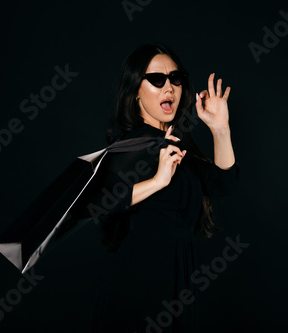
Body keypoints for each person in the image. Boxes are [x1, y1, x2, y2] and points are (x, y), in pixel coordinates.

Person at [90, 43, 239, 332]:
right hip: (137, 289)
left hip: (179, 283)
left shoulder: (177, 146)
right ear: (135, 91)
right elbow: (101, 204)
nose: (168, 87)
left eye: (175, 78)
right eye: (157, 80)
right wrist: (158, 180)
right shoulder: (130, 147)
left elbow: (224, 183)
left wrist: (221, 129)